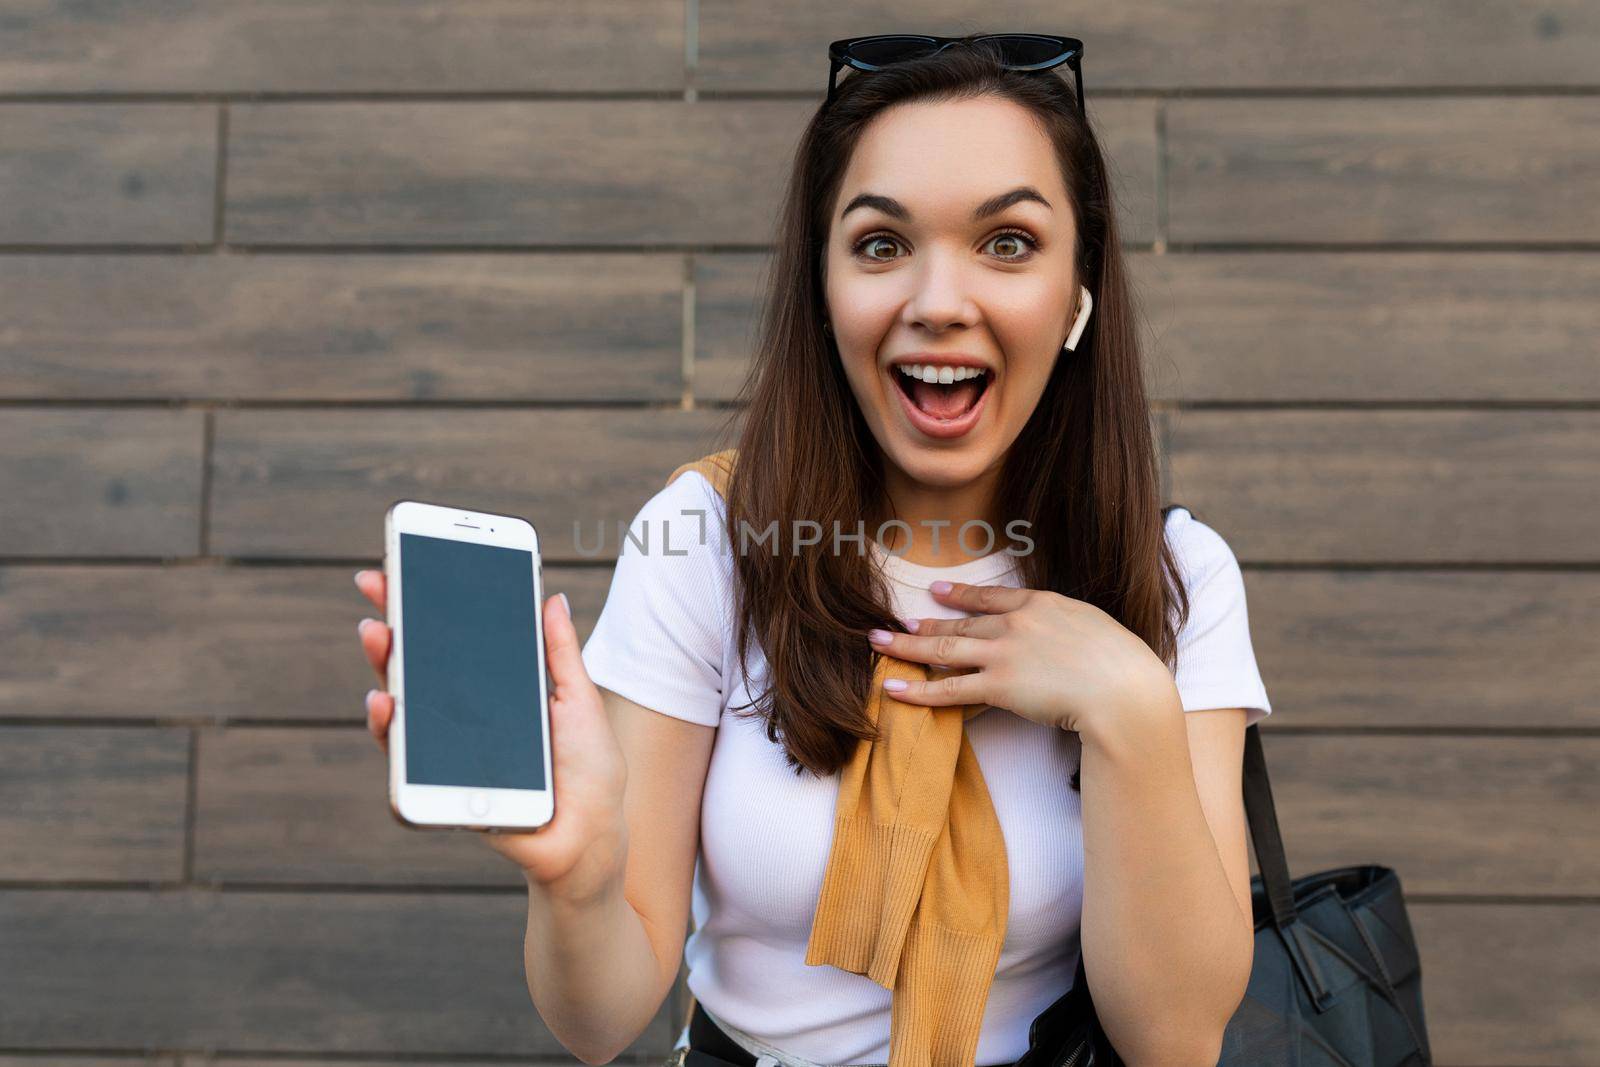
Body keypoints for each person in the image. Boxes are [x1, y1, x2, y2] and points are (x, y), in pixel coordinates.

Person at [355, 35, 1271, 1067]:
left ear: (1078, 295)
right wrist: (576, 877)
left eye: (1007, 242)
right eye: (880, 244)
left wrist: (1128, 710)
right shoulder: (705, 538)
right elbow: (599, 1018)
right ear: (823, 287)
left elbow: (1177, 1041)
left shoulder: (1174, 577)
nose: (937, 299)